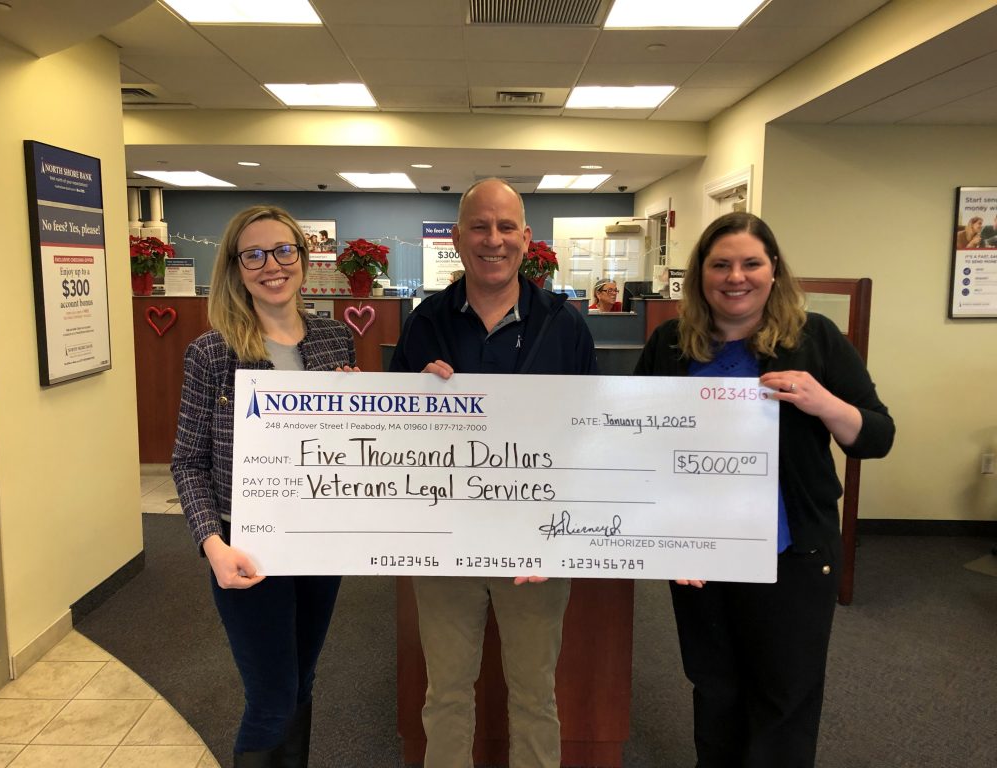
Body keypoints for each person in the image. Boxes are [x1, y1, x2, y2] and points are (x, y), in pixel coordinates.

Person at [634, 212, 894, 767]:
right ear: (700, 275)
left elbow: (876, 436)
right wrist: (662, 537)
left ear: (773, 269)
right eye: (720, 264)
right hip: (700, 555)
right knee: (716, 688)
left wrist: (819, 400)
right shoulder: (672, 344)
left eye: (751, 263)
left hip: (791, 553)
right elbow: (636, 441)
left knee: (784, 698)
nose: (736, 277)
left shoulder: (814, 339)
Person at [390, 178, 598, 768]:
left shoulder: (565, 325)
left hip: (534, 547)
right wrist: (414, 400)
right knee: (447, 695)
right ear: (457, 238)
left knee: (535, 697)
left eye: (506, 227)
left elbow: (589, 436)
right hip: (446, 544)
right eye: (479, 226)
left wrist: (561, 536)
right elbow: (391, 444)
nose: (493, 239)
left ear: (527, 239)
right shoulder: (425, 323)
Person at [171, 205, 356, 768]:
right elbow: (188, 461)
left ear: (302, 257)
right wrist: (213, 546)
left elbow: (349, 452)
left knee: (301, 679)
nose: (271, 265)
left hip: (319, 543)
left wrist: (362, 411)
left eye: (283, 250)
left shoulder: (334, 340)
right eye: (253, 254)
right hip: (247, 547)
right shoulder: (212, 352)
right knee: (271, 697)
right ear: (235, 266)